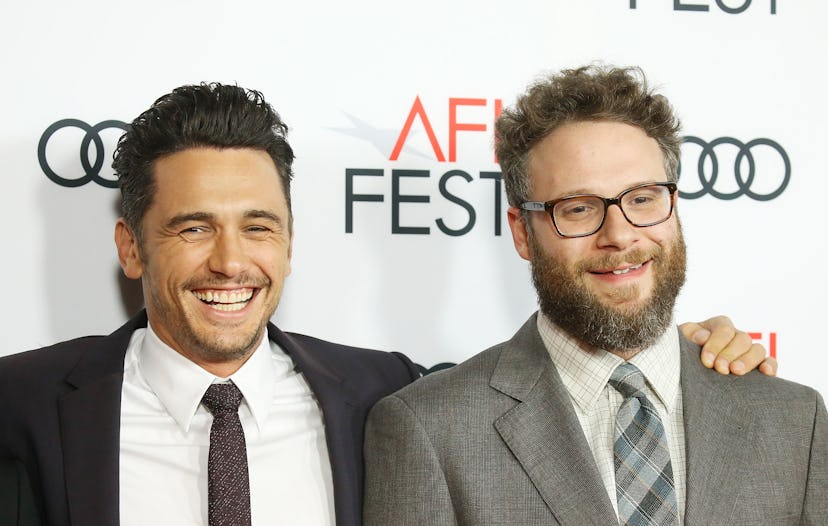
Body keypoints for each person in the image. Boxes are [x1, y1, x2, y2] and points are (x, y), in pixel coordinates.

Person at [0, 82, 773, 526]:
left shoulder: (386, 396)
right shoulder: (23, 404)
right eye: (192, 227)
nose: (231, 261)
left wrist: (673, 357)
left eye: (258, 226)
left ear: (292, 242)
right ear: (131, 247)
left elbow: (543, 393)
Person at [363, 65, 827, 525]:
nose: (620, 236)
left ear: (674, 206)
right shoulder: (430, 430)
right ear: (522, 234)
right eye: (579, 209)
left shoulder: (793, 420)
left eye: (643, 198)